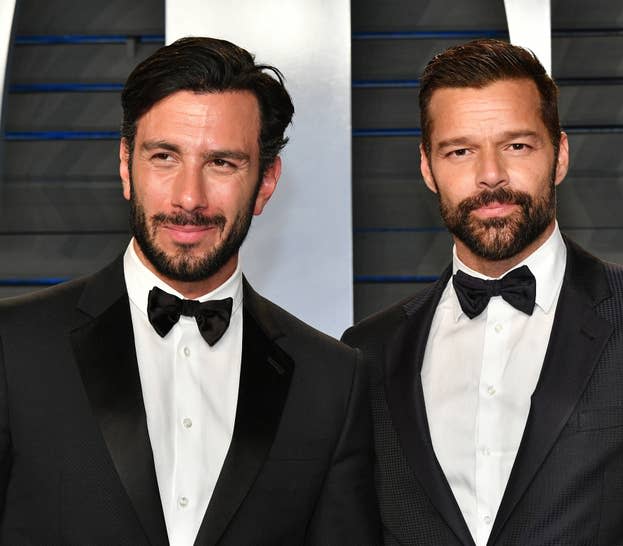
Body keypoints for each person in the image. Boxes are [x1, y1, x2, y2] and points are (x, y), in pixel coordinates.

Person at [0, 37, 380, 545]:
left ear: (265, 182)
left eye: (222, 163)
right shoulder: (14, 346)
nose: (188, 197)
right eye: (164, 157)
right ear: (125, 165)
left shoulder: (332, 380)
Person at [342, 39, 623, 546]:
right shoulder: (367, 352)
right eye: (460, 150)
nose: (490, 175)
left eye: (516, 145)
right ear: (427, 168)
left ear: (559, 156)